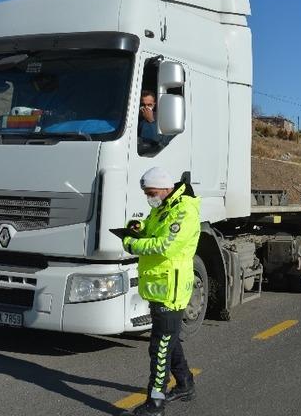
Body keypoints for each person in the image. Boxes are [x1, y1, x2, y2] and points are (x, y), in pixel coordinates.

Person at [119, 167, 200, 416]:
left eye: (152, 193)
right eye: (146, 194)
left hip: (171, 290)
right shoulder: (164, 207)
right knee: (168, 339)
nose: (149, 198)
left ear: (165, 189)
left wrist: (132, 243)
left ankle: (155, 402)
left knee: (159, 346)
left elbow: (165, 245)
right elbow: (151, 228)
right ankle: (185, 384)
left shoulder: (184, 211)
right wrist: (137, 226)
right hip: (159, 287)